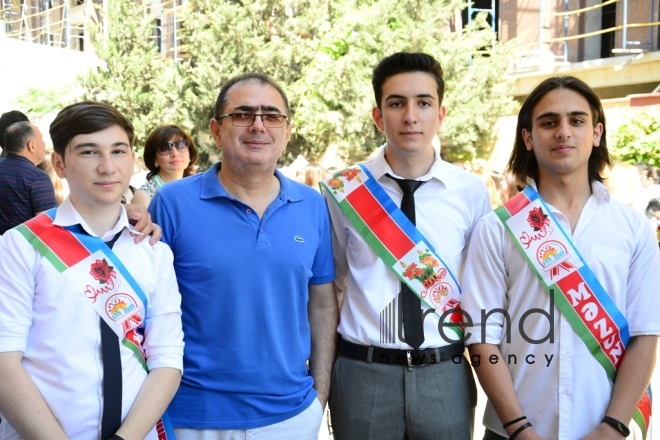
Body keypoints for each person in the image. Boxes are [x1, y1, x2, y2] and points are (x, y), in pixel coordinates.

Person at [461, 76, 660, 439]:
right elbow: (481, 337)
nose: (563, 131)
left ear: (596, 132)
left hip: (605, 431)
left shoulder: (633, 228)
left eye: (577, 120)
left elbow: (646, 334)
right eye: (549, 122)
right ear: (527, 137)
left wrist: (614, 427)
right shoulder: (496, 229)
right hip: (511, 433)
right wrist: (520, 428)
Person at [149, 72, 337, 439]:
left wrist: (320, 396)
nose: (257, 125)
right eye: (242, 114)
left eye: (271, 116)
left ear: (287, 129)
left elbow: (322, 305)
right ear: (217, 130)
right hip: (192, 416)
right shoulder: (171, 205)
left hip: (291, 416)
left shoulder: (312, 205)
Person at [322, 52, 490, 439]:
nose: (410, 116)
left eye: (423, 103)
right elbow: (330, 286)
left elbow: (483, 289)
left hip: (444, 373)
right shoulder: (343, 190)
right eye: (396, 103)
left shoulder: (470, 192)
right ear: (378, 116)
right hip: (362, 376)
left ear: (441, 114)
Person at [0, 101, 184, 439]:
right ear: (59, 163)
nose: (107, 167)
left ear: (132, 159)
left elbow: (167, 358)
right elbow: (3, 363)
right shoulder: (20, 246)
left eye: (118, 151)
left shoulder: (153, 252)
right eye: (88, 152)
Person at [0, 121, 56, 234]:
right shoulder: (37, 178)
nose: (44, 144)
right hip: (22, 248)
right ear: (32, 146)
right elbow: (47, 225)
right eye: (42, 139)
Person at [131, 125, 198, 207]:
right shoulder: (144, 197)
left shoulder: (198, 188)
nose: (175, 153)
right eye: (165, 148)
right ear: (154, 158)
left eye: (181, 145)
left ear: (190, 152)